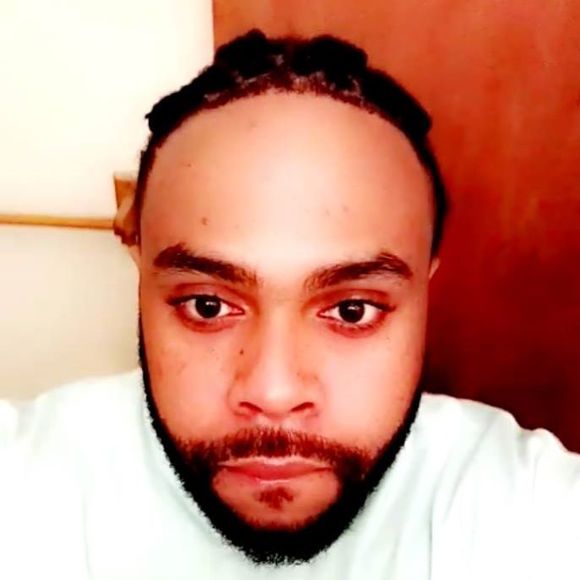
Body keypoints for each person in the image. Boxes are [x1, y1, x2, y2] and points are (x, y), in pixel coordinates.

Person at [0, 29, 578, 580]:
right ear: (140, 268)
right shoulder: (24, 485)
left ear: (425, 286)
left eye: (352, 311)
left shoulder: (527, 508)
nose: (273, 393)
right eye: (207, 306)